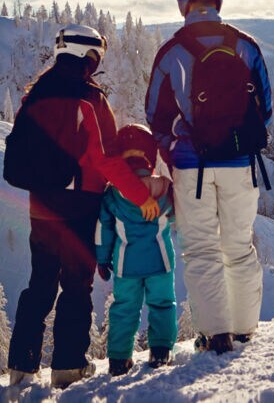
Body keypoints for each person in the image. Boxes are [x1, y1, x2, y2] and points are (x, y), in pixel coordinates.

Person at [4, 25, 161, 388]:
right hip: (79, 204)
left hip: (42, 204)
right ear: (85, 55)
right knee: (76, 285)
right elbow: (106, 159)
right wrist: (140, 195)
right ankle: (68, 367)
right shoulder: (90, 98)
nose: (96, 63)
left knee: (40, 283)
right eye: (95, 56)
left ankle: (21, 367)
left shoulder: (35, 94)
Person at [145, 0, 273, 354]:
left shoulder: (171, 52)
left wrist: (173, 151)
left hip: (192, 165)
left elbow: (155, 115)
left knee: (201, 250)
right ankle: (245, 329)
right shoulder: (246, 46)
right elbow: (265, 109)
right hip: (240, 164)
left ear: (183, 1)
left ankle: (215, 335)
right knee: (239, 246)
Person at [96, 124, 177, 376]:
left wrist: (102, 259)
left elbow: (103, 230)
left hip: (126, 265)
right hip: (161, 262)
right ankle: (161, 351)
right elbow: (176, 216)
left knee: (124, 308)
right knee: (162, 304)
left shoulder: (112, 194)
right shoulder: (164, 187)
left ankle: (119, 359)